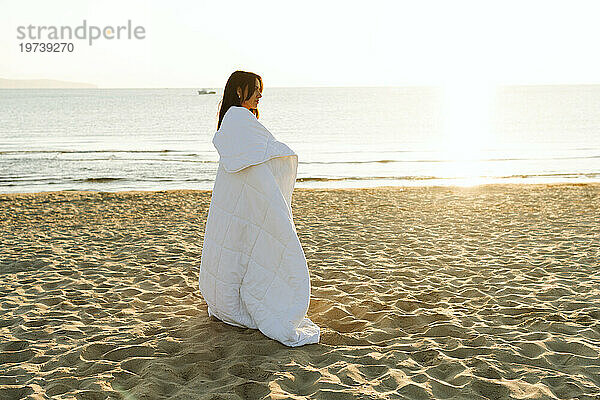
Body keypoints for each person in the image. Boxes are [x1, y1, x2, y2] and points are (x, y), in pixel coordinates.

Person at [199, 70, 320, 347]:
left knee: (234, 243)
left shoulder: (230, 119)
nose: (260, 95)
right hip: (244, 191)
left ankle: (226, 299)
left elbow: (254, 153)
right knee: (255, 243)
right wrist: (286, 155)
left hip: (234, 192)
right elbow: (267, 151)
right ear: (240, 90)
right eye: (256, 89)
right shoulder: (241, 119)